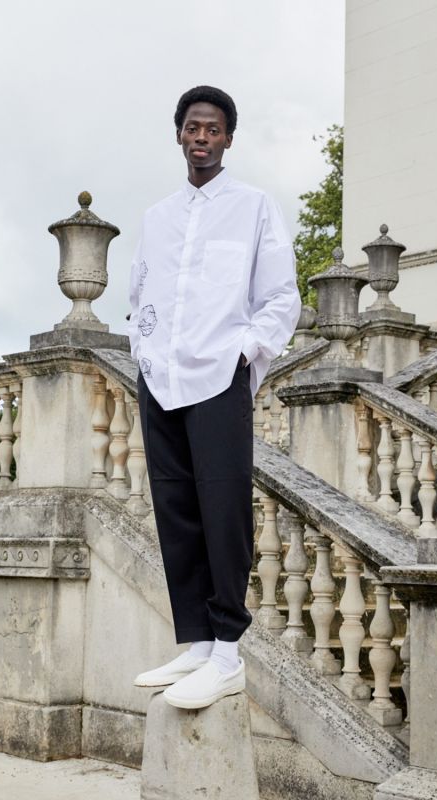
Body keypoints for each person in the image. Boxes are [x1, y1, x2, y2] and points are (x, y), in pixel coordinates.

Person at [127, 85, 301, 710]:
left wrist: (242, 352)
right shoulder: (157, 216)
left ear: (228, 138)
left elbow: (282, 296)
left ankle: (228, 649)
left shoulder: (254, 208)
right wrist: (143, 354)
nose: (201, 136)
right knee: (175, 507)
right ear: (179, 134)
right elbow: (139, 292)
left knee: (223, 507)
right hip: (161, 376)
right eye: (192, 127)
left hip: (219, 376)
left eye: (213, 128)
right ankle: (197, 641)